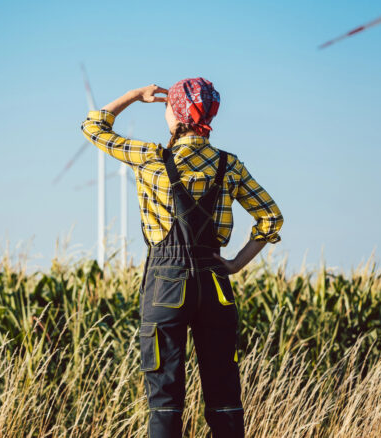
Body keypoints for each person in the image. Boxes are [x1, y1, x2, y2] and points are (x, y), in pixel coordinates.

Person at [80, 78, 283, 438]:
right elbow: (270, 217)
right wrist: (235, 263)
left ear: (175, 112)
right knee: (224, 400)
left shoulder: (150, 157)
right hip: (215, 283)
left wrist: (133, 95)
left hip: (164, 284)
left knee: (166, 402)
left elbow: (93, 126)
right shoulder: (229, 165)